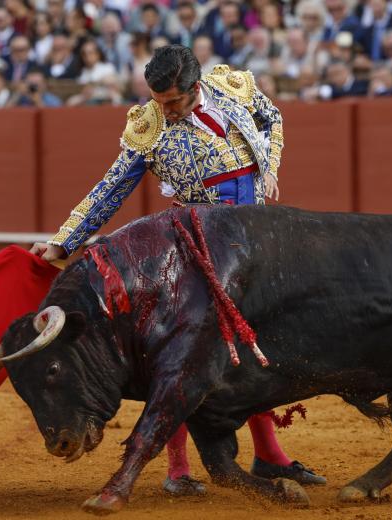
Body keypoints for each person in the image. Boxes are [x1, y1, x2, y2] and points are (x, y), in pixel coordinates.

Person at [30, 44, 324, 497]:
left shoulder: (233, 86)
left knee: (255, 342)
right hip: (198, 247)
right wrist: (63, 240)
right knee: (185, 353)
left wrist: (269, 165)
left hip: (257, 238)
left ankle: (268, 456)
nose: (163, 111)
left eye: (171, 102)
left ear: (195, 87)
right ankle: (178, 468)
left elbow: (272, 118)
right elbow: (111, 187)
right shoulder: (148, 127)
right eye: (157, 100)